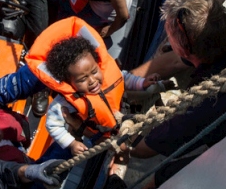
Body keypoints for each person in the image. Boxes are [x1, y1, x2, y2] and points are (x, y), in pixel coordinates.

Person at [127, 0, 226, 189]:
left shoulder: (202, 107)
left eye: (170, 38)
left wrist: (121, 123)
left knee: (156, 183)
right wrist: (122, 82)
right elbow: (173, 61)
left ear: (183, 49)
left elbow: (141, 150)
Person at [25, 18, 158, 159]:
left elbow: (124, 78)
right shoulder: (65, 102)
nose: (92, 81)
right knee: (129, 150)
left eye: (94, 72)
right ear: (69, 82)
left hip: (126, 113)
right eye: (82, 79)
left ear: (97, 64)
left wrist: (142, 83)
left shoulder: (107, 73)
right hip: (102, 135)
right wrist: (71, 143)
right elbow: (52, 124)